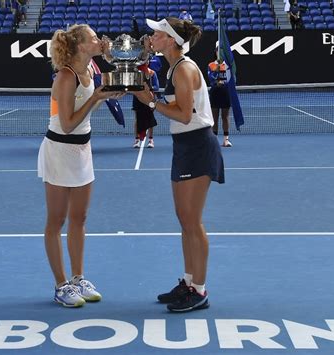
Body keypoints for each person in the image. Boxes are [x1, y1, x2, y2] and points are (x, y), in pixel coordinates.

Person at [132, 17, 224, 313]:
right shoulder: (174, 67)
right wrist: (147, 95)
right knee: (184, 220)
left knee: (193, 222)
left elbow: (185, 115)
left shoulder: (184, 69)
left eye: (157, 33)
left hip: (197, 145)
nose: (152, 37)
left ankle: (199, 290)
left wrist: (149, 102)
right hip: (184, 146)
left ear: (170, 40)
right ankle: (188, 281)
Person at [38, 24, 123, 308]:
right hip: (60, 150)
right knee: (56, 221)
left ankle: (78, 278)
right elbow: (67, 123)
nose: (100, 41)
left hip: (83, 151)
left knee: (79, 219)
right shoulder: (65, 76)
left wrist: (106, 95)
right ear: (80, 46)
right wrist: (97, 97)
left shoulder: (91, 70)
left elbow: (85, 112)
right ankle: (60, 285)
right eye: (94, 38)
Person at [208, 48, 232, 147]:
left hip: (225, 92)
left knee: (225, 117)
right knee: (214, 117)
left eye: (222, 52)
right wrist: (215, 80)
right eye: (218, 51)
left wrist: (224, 82)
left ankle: (226, 140)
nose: (220, 53)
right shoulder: (211, 65)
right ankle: (215, 140)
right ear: (216, 53)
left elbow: (231, 78)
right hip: (215, 92)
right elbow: (210, 77)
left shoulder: (227, 65)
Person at [132, 60, 159, 149]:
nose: (145, 63)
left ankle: (150, 140)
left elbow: (157, 86)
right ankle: (137, 140)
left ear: (148, 63)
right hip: (137, 98)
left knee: (150, 118)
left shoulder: (152, 73)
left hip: (149, 98)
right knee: (138, 118)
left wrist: (148, 89)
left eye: (147, 61)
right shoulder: (137, 73)